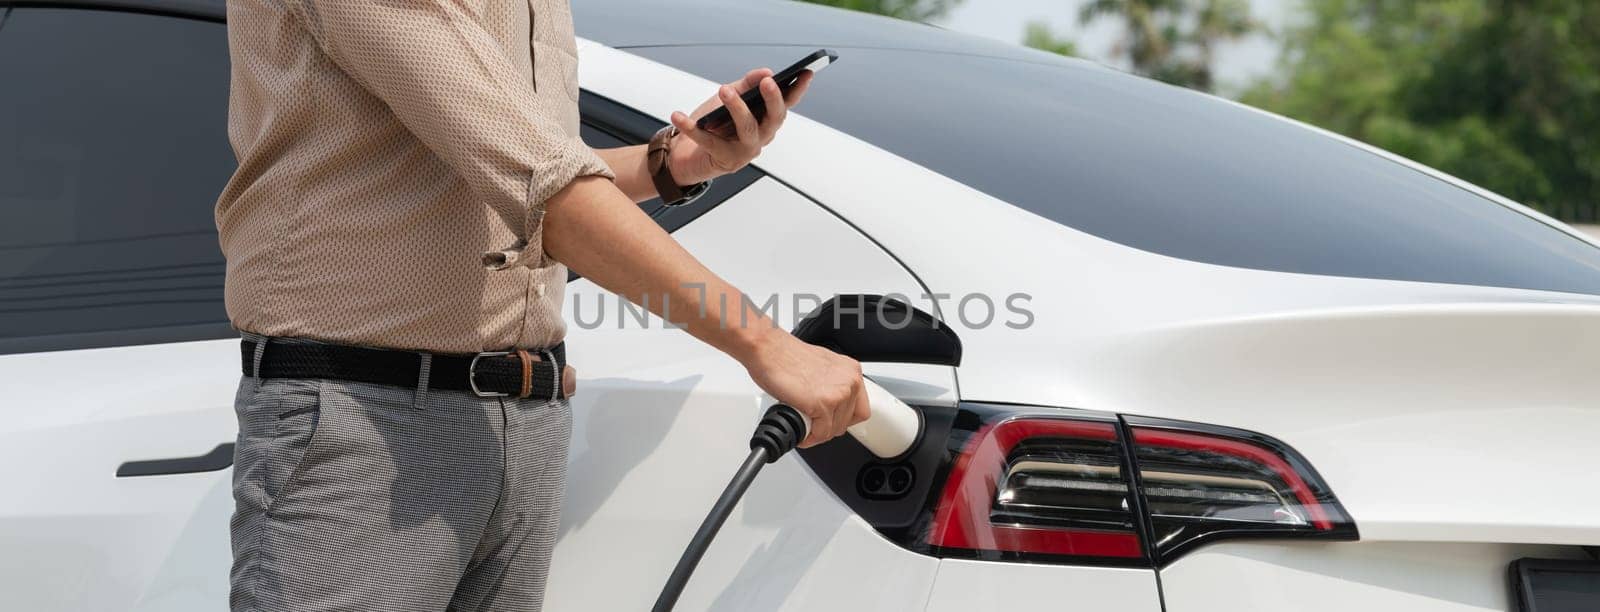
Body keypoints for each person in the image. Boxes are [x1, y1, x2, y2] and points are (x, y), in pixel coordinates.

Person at [215, 1, 870, 610]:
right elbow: (541, 183)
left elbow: (520, 160)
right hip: (363, 417)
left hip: (527, 418)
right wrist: (765, 342)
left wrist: (671, 164)